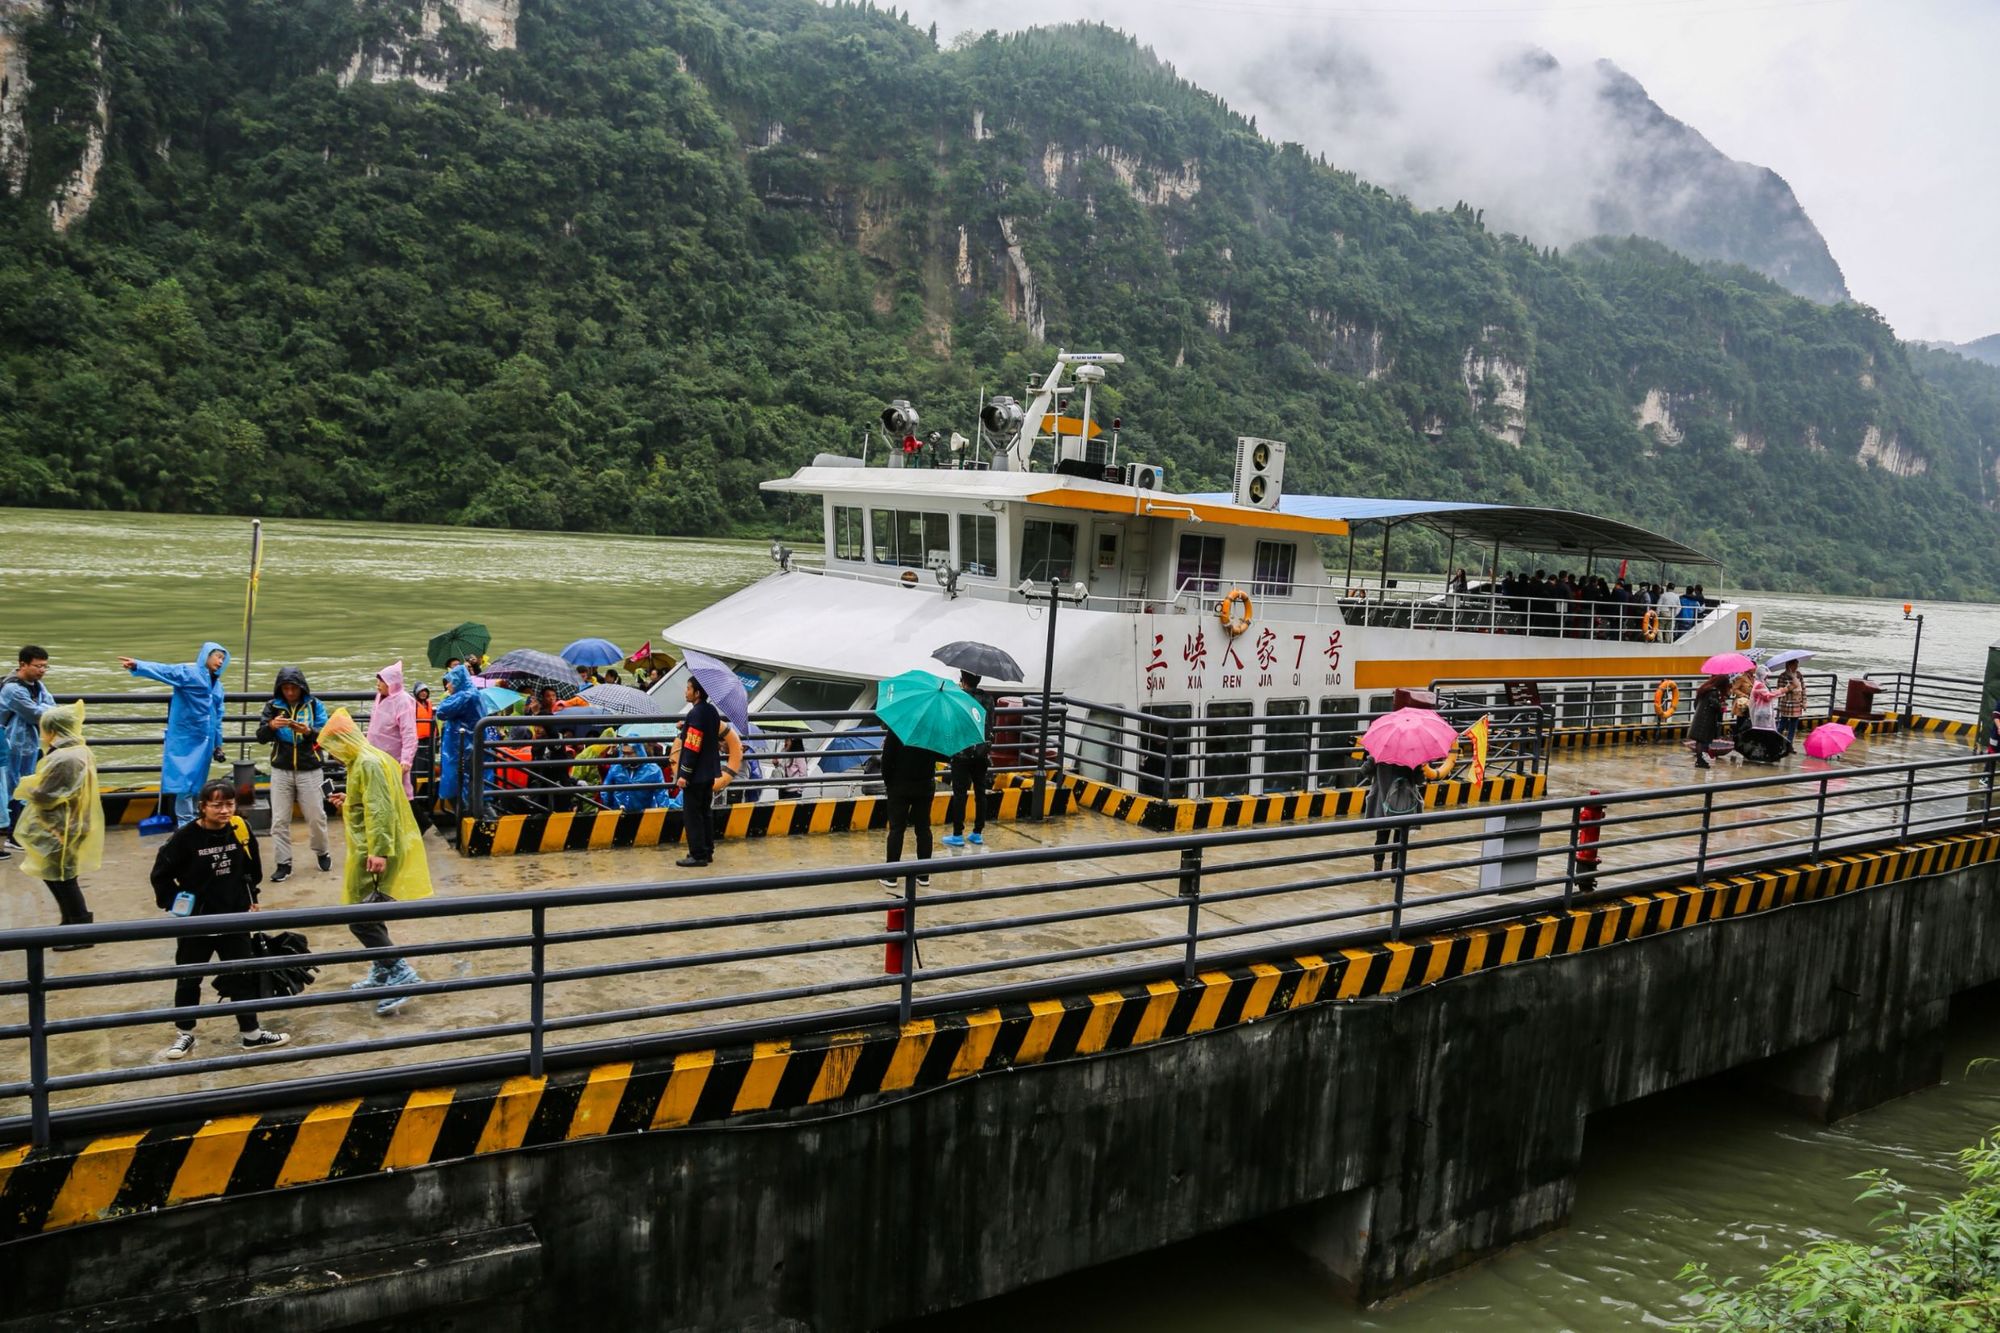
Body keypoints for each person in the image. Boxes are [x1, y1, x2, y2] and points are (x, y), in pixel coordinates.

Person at [150, 780, 289, 1058]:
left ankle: (251, 1034)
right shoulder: (185, 838)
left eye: (229, 804)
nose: (224, 811)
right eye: (216, 805)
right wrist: (179, 905)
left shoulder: (240, 829)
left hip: (234, 918)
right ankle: (185, 1034)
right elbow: (160, 875)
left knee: (242, 977)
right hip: (197, 922)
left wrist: (252, 899)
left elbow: (252, 870)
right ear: (202, 807)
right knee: (188, 978)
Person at [319, 709, 434, 1014]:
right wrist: (348, 802)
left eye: (333, 747)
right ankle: (382, 971)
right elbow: (369, 803)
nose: (333, 754)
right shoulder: (366, 759)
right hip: (373, 845)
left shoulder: (367, 763)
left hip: (374, 849)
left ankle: (400, 972)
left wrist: (378, 850)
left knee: (359, 917)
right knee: (372, 910)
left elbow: (380, 808)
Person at [12, 701, 101, 942]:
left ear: (53, 730)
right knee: (60, 875)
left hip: (60, 826)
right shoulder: (79, 750)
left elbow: (46, 794)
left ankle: (80, 928)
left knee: (62, 878)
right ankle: (71, 922)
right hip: (72, 822)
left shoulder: (63, 757)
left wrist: (26, 788)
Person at [119, 641, 230, 825]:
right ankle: (185, 824)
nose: (220, 662)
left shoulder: (218, 686)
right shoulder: (189, 673)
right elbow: (165, 671)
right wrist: (139, 665)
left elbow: (218, 716)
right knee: (184, 782)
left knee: (198, 783)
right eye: (217, 657)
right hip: (185, 737)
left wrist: (218, 744)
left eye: (223, 659)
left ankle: (196, 820)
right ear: (207, 656)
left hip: (206, 740)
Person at [255, 666, 330, 883]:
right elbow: (260, 736)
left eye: (293, 688)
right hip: (281, 768)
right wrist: (271, 726)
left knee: (316, 816)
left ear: (301, 688)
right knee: (279, 819)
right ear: (280, 689)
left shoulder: (315, 705)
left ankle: (322, 851)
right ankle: (283, 862)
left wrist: (308, 732)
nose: (289, 693)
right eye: (286, 689)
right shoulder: (272, 707)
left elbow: (325, 735)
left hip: (310, 768)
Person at [670, 678, 734, 868]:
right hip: (709, 771)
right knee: (705, 812)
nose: (686, 692)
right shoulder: (711, 711)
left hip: (695, 774)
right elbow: (706, 734)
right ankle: (707, 851)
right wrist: (687, 726)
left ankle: (697, 854)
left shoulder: (696, 713)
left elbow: (692, 747)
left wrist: (684, 774)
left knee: (692, 815)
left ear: (697, 693)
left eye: (689, 688)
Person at [1, 645, 55, 855]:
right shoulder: (12, 689)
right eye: (37, 666)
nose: (42, 670)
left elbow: (51, 705)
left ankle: (20, 833)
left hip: (28, 745)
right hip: (10, 745)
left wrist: (48, 710)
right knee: (13, 789)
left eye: (44, 666)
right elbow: (35, 714)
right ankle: (13, 836)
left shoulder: (37, 685)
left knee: (27, 787)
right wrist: (49, 711)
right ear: (22, 664)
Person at [878, 728, 943, 888]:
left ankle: (891, 876)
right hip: (925, 784)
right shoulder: (931, 729)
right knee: (923, 829)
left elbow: (886, 759)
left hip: (899, 784)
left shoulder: (898, 728)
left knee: (896, 829)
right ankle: (924, 875)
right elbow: (942, 755)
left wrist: (889, 782)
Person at [942, 671, 993, 848]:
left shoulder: (958, 698)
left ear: (963, 681)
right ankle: (977, 833)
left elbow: (951, 722)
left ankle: (957, 834)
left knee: (960, 794)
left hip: (961, 753)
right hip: (981, 753)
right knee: (980, 792)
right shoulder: (988, 699)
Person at [1360, 751, 1426, 873]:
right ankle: (1396, 874)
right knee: (1400, 839)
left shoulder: (1379, 753)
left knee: (1381, 837)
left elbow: (1364, 770)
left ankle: (1377, 872)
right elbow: (1420, 780)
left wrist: (1376, 778)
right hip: (1404, 803)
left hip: (1382, 802)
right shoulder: (1413, 754)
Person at [365, 661, 418, 797]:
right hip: (375, 754)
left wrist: (406, 760)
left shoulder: (403, 701)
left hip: (394, 756)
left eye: (381, 681)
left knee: (397, 792)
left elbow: (409, 733)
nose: (378, 685)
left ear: (391, 683)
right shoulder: (380, 697)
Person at [605, 742, 673, 812]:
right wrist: (610, 808)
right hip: (619, 812)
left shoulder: (653, 770)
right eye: (623, 753)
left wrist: (663, 814)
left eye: (629, 753)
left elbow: (661, 794)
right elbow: (606, 790)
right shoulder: (616, 767)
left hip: (645, 813)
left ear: (638, 752)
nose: (625, 757)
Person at [1690, 675, 1727, 769]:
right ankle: (1700, 760)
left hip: (1700, 717)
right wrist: (1721, 704)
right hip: (1706, 718)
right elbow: (1716, 705)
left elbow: (1696, 703)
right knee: (1703, 740)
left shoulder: (1705, 689)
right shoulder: (1713, 692)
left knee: (1699, 740)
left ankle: (1700, 759)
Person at [1777, 661, 1807, 744]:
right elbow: (1780, 690)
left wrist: (1804, 701)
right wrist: (1792, 687)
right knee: (1782, 724)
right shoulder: (1783, 676)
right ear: (1789, 665)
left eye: (1797, 665)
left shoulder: (1799, 675)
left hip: (1797, 703)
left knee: (1793, 725)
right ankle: (1776, 741)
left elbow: (1803, 688)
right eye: (1794, 665)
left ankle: (1789, 744)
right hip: (1786, 703)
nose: (1796, 667)